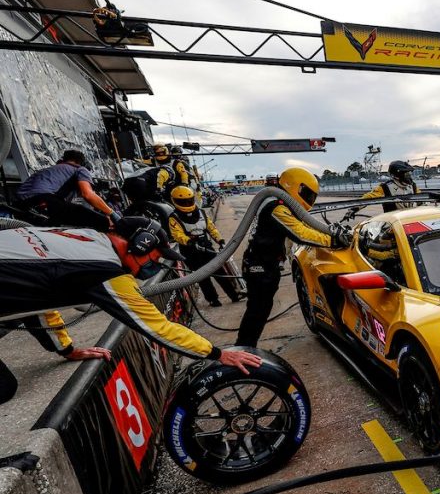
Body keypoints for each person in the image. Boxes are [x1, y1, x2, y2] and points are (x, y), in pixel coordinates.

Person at [0, 217, 261, 404]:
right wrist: (217, 353)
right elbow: (157, 327)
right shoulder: (106, 270)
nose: (156, 265)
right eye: (156, 257)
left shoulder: (85, 237)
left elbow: (42, 298)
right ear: (141, 245)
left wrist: (67, 349)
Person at [235, 167, 345, 347]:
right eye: (308, 194)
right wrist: (332, 240)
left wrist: (330, 233)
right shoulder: (276, 207)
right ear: (296, 187)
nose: (310, 200)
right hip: (260, 266)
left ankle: (246, 348)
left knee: (260, 309)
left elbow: (306, 226)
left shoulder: (278, 203)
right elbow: (300, 233)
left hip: (263, 264)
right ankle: (244, 349)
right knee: (257, 311)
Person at [168, 186, 241, 307]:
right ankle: (213, 299)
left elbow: (211, 228)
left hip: (206, 247)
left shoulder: (201, 212)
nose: (186, 203)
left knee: (220, 271)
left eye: (189, 201)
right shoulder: (174, 217)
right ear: (175, 201)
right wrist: (188, 241)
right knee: (202, 277)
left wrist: (220, 240)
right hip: (190, 251)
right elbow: (177, 234)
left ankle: (234, 294)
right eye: (183, 202)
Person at [13, 150, 115, 232]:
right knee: (100, 220)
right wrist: (112, 214)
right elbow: (88, 195)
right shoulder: (80, 169)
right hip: (44, 200)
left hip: (19, 204)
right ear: (81, 163)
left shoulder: (49, 170)